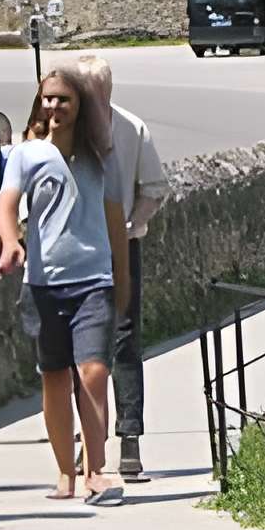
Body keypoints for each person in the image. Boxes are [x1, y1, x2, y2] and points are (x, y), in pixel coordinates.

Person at [0, 67, 133, 504]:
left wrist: (123, 278)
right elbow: (7, 205)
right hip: (43, 284)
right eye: (48, 99)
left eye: (64, 100)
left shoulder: (101, 157)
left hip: (94, 281)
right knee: (54, 379)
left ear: (81, 107)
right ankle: (64, 472)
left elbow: (116, 222)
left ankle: (95, 470)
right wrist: (10, 243)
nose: (54, 107)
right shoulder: (26, 155)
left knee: (93, 373)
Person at [67, 54, 169, 482]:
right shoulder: (62, 132)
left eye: (96, 94)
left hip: (121, 247)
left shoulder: (131, 128)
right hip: (75, 252)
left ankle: (130, 439)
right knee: (81, 350)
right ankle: (89, 445)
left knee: (125, 341)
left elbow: (154, 187)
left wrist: (134, 221)